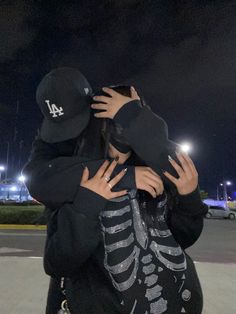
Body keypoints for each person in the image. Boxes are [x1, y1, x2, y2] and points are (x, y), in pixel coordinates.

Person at [42, 85, 208, 313]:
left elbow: (183, 239)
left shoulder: (158, 173)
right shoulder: (78, 177)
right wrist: (86, 205)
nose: (121, 134)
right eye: (114, 123)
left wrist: (188, 197)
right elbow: (57, 262)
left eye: (130, 120)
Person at [23, 71, 170, 313]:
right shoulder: (48, 141)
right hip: (78, 285)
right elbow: (37, 179)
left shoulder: (111, 112)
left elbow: (164, 154)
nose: (65, 134)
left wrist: (132, 114)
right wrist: (122, 175)